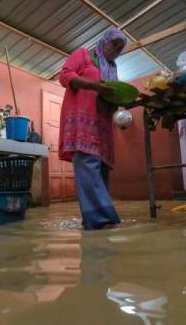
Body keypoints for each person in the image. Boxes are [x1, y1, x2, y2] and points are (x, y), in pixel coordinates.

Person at [58, 27, 127, 230]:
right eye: (114, 44)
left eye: (120, 49)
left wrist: (117, 100)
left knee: (102, 169)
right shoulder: (83, 55)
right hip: (82, 119)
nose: (116, 51)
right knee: (87, 164)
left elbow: (110, 97)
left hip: (102, 124)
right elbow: (65, 76)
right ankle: (102, 217)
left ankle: (96, 217)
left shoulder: (113, 69)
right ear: (104, 41)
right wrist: (95, 86)